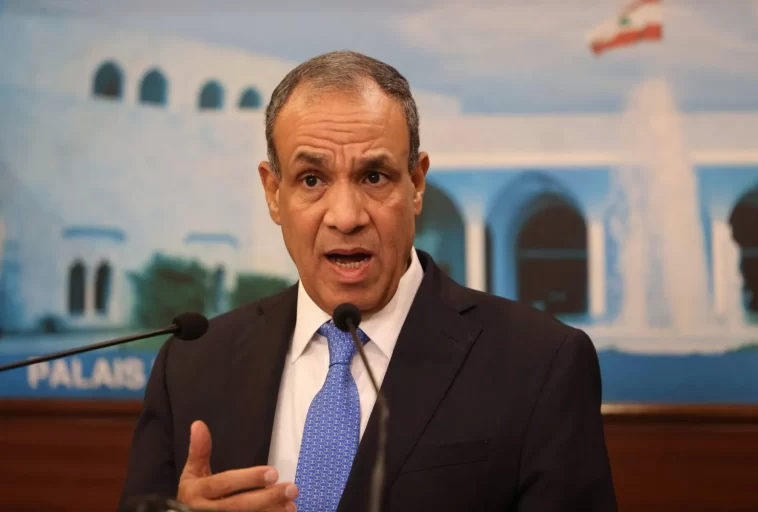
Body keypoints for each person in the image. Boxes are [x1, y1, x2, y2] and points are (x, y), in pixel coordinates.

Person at [119, 50, 617, 512]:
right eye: (312, 180)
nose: (346, 216)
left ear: (416, 184)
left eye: (374, 177)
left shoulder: (540, 363)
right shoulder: (190, 366)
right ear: (273, 193)